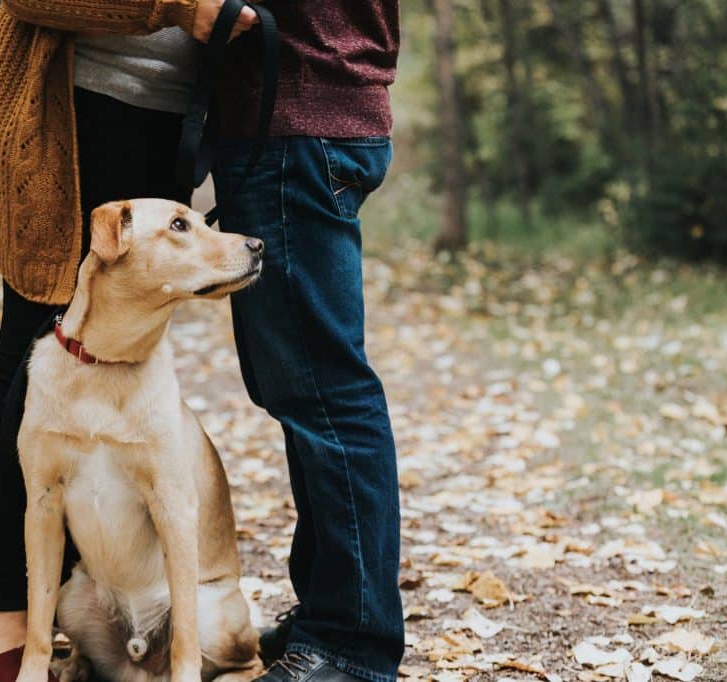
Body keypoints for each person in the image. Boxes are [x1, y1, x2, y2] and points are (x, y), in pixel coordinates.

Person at [0, 1, 258, 680]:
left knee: (117, 370)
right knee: (30, 351)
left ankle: (103, 613)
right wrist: (179, 8)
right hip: (74, 111)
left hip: (168, 116)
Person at [211, 3, 405, 682]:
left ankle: (351, 644)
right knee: (302, 390)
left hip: (297, 122)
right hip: (312, 115)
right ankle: (331, 612)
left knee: (323, 392)